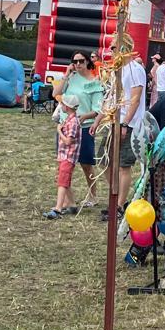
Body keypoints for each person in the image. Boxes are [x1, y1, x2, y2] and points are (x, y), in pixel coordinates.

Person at [46, 53, 103, 218]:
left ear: (87, 62)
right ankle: (69, 202)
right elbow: (55, 94)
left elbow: (98, 108)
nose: (77, 64)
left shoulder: (94, 82)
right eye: (75, 61)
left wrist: (86, 116)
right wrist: (66, 75)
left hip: (83, 127)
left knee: (86, 164)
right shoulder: (71, 78)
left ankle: (93, 195)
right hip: (66, 124)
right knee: (64, 163)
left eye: (81, 61)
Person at [116, 49, 149, 198]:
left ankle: (120, 204)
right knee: (107, 162)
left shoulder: (135, 69)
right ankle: (115, 196)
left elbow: (135, 99)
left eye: (114, 48)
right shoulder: (118, 68)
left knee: (124, 165)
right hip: (115, 120)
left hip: (130, 124)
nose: (111, 51)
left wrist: (125, 124)